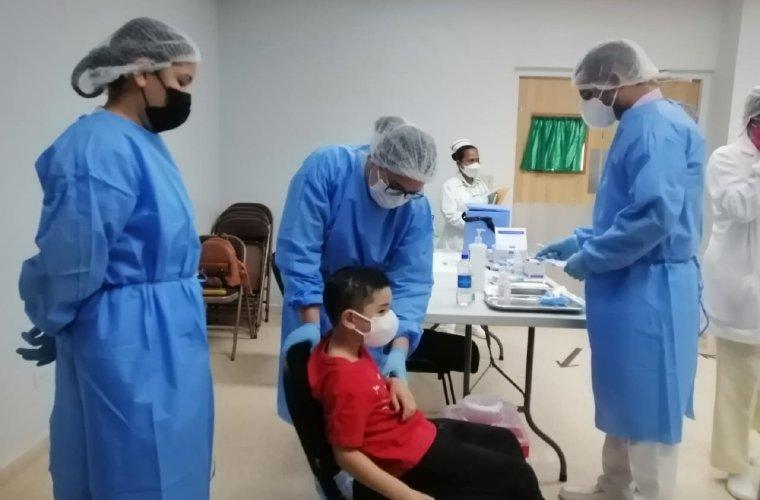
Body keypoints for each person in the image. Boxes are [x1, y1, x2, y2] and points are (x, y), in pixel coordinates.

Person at [16, 18, 213, 500]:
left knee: (175, 449)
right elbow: (73, 257)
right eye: (182, 81)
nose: (185, 95)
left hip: (169, 327)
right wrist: (53, 315)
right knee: (128, 461)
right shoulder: (96, 147)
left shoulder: (145, 142)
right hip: (125, 336)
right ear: (142, 72)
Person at [538, 39, 705, 500]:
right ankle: (614, 487)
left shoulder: (658, 128)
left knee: (650, 406)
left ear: (615, 82)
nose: (590, 102)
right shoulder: (640, 124)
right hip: (632, 282)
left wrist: (592, 256)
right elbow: (624, 209)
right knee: (625, 397)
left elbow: (653, 216)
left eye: (589, 92)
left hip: (653, 288)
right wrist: (582, 240)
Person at [307, 266, 544, 500]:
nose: (390, 318)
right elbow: (346, 455)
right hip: (405, 460)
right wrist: (407, 495)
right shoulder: (344, 379)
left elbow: (362, 392)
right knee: (520, 477)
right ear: (350, 318)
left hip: (413, 434)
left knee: (505, 440)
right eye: (382, 311)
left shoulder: (344, 344)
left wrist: (391, 382)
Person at [276, 121, 437, 423]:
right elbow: (300, 251)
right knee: (315, 402)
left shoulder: (415, 207)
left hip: (370, 313)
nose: (400, 198)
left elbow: (412, 281)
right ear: (374, 160)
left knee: (364, 406)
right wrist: (311, 324)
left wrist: (398, 351)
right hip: (317, 302)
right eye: (395, 187)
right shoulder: (328, 169)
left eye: (411, 192)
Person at [703, 86, 760, 500]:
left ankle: (749, 446)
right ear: (753, 121)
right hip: (740, 285)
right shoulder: (726, 159)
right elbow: (742, 208)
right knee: (738, 379)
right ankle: (735, 465)